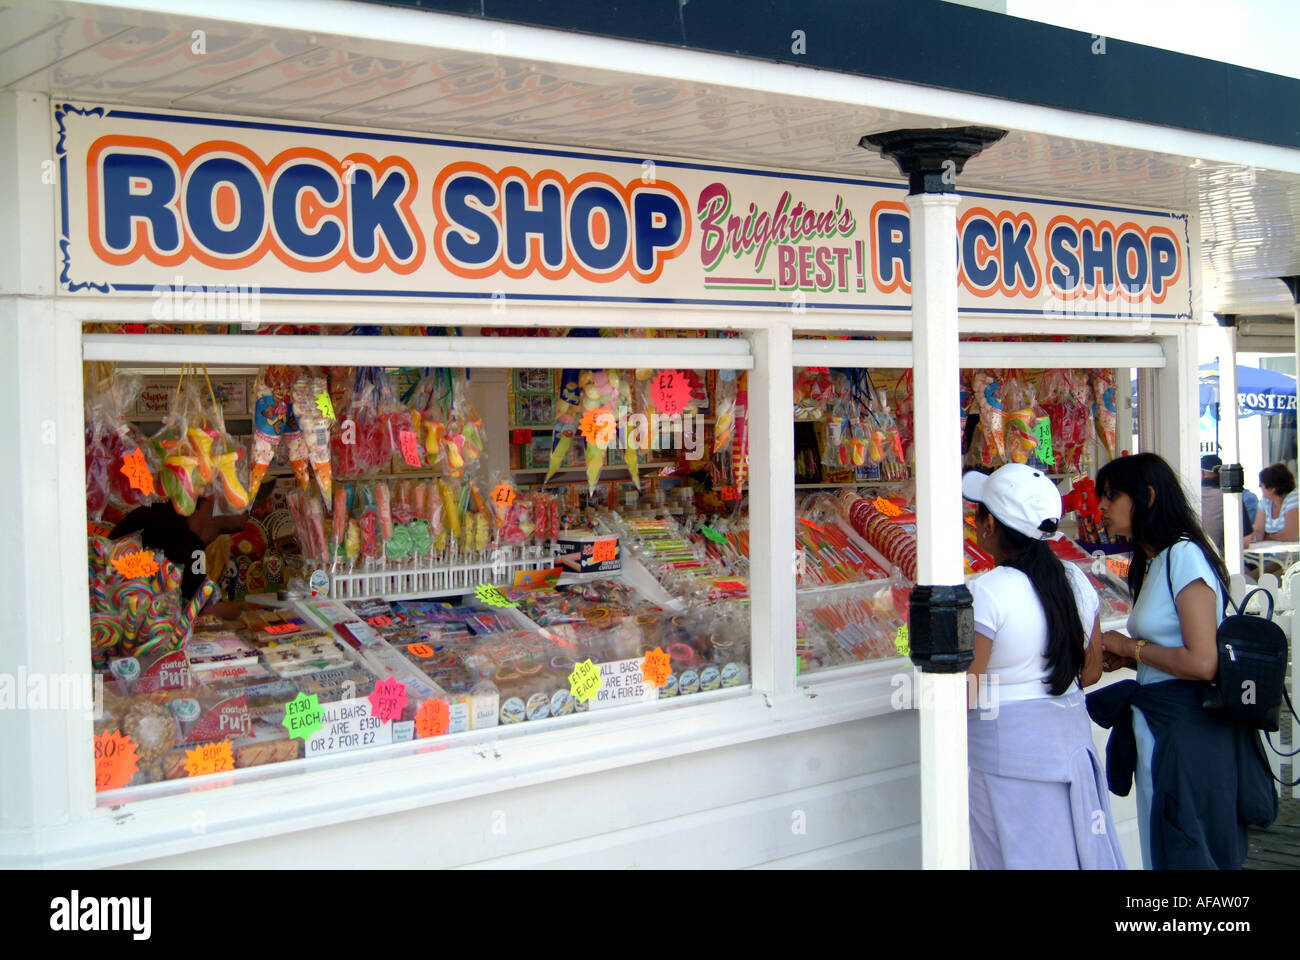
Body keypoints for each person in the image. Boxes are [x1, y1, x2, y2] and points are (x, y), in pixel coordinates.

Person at [1088, 452, 1276, 869]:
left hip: (1187, 731)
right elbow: (1178, 655)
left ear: (1148, 497)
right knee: (1168, 844)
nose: (1101, 505)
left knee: (1187, 845)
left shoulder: (1184, 556)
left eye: (1111, 495)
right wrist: (1134, 659)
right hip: (1162, 725)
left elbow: (1203, 663)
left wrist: (1131, 647)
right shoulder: (1154, 561)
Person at [962, 464, 1124, 869]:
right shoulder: (1076, 579)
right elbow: (1090, 672)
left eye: (979, 513)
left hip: (1006, 759)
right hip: (1069, 748)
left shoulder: (987, 592)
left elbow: (966, 689)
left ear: (989, 525)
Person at [111, 495, 248, 618]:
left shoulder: (196, 549)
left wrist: (236, 610)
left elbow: (201, 604)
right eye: (231, 489)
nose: (245, 502)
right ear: (207, 493)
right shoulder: (155, 520)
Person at [1250, 461, 1298, 543]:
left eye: (1261, 484)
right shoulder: (1265, 501)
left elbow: (1290, 536)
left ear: (1272, 489)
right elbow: (1258, 531)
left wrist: (1267, 536)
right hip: (1272, 554)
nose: (1259, 487)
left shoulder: (1295, 498)